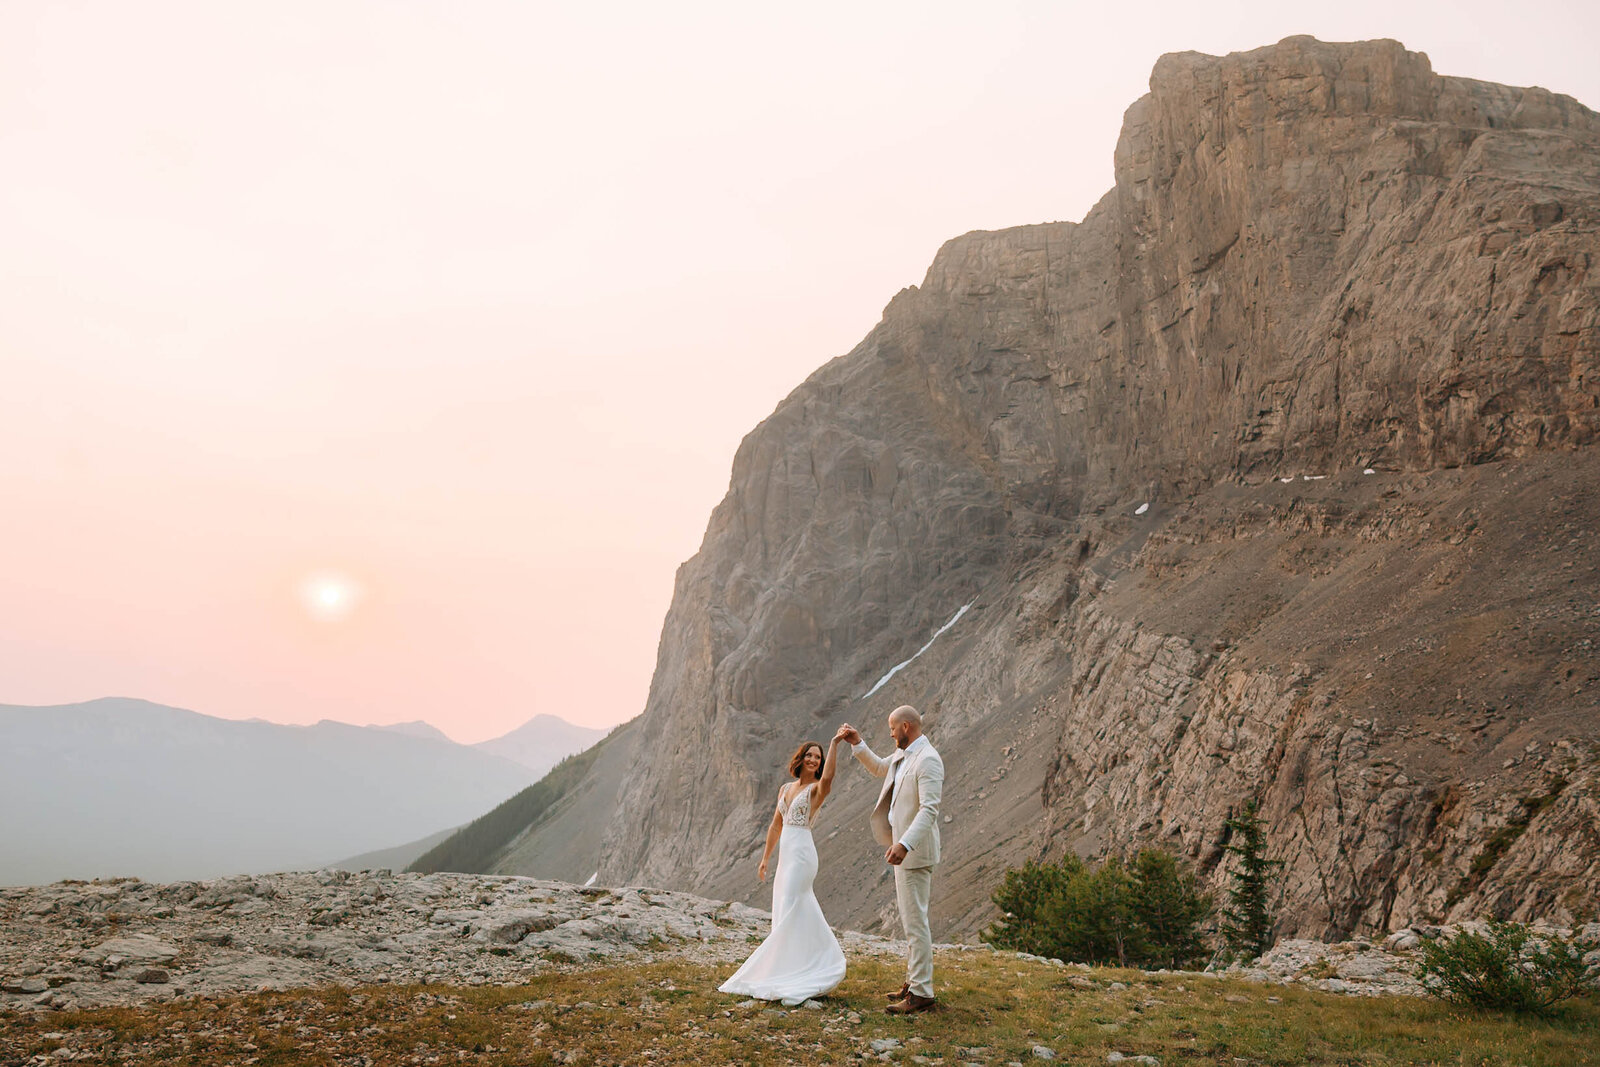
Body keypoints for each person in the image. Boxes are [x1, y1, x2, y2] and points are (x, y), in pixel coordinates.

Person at [718, 735, 847, 1005]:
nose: (814, 759)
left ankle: (820, 962)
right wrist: (765, 858)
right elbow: (776, 826)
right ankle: (790, 964)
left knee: (795, 902)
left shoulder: (816, 789)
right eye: (810, 755)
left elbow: (829, 779)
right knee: (784, 905)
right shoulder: (785, 788)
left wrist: (834, 744)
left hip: (802, 854)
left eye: (818, 757)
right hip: (786, 856)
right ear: (801, 758)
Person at [836, 706, 944, 1014]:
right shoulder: (904, 755)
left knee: (915, 923)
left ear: (906, 727)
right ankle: (913, 981)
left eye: (892, 729)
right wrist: (858, 743)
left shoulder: (928, 760)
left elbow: (929, 810)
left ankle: (922, 993)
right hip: (903, 852)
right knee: (911, 920)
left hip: (914, 853)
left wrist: (905, 844)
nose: (890, 734)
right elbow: (881, 768)